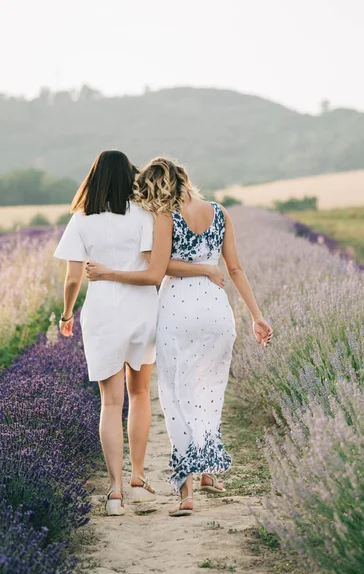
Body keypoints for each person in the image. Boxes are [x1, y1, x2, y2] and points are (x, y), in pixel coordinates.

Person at [86, 157, 273, 517]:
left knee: (176, 396)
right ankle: (208, 472)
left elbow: (157, 270)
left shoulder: (165, 217)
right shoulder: (219, 212)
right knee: (209, 391)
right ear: (185, 179)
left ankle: (186, 492)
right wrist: (257, 316)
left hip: (177, 310)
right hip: (218, 312)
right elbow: (234, 268)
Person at [54, 150, 173, 516]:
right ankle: (138, 479)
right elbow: (156, 266)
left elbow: (74, 277)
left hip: (102, 314)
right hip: (141, 310)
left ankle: (116, 492)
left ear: (95, 177)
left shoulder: (81, 219)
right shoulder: (144, 215)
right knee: (139, 396)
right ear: (129, 177)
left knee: (110, 403)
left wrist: (67, 313)